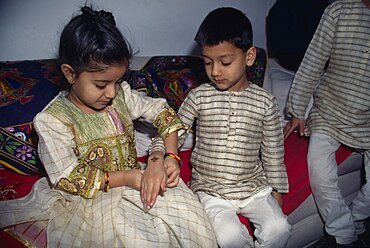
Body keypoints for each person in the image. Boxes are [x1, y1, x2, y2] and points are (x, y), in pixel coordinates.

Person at [0, 6, 217, 247]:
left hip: (138, 176)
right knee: (135, 239)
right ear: (70, 74)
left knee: (191, 219)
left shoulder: (121, 96)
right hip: (93, 198)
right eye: (102, 84)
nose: (111, 92)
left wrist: (170, 155)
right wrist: (126, 177)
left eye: (118, 81)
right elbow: (68, 177)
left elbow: (162, 112)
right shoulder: (53, 120)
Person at [178, 7, 291, 248]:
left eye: (225, 61)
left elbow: (273, 151)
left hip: (253, 187)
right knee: (227, 237)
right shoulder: (199, 96)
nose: (215, 71)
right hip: (210, 188)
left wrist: (277, 190)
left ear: (249, 57)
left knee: (279, 228)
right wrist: (160, 154)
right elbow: (172, 130)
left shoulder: (265, 101)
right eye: (208, 62)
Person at [283, 0, 370, 247]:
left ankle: (356, 220)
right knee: (319, 169)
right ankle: (344, 234)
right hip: (329, 110)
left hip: (368, 119)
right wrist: (297, 110)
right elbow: (313, 60)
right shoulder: (339, 10)